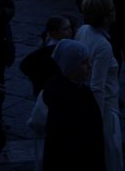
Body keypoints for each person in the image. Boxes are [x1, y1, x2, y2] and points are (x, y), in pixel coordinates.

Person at [28, 38, 105, 171]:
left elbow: (37, 124)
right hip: (66, 157)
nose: (90, 66)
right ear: (71, 66)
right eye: (84, 63)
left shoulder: (53, 90)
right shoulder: (57, 93)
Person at [75, 0, 122, 171]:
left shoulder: (83, 30)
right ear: (106, 15)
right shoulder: (103, 46)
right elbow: (98, 87)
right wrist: (96, 122)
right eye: (112, 8)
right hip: (105, 111)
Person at [20, 15, 74, 97]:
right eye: (66, 29)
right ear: (54, 33)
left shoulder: (51, 46)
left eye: (70, 27)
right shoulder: (52, 51)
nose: (70, 31)